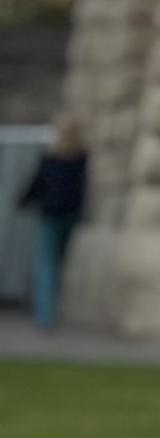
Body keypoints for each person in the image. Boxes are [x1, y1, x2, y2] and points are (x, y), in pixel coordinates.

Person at [16, 114, 87, 327]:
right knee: (58, 264)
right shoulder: (82, 158)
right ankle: (52, 310)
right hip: (70, 215)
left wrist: (22, 203)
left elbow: (36, 185)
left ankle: (46, 317)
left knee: (47, 264)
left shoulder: (50, 158)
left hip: (51, 215)